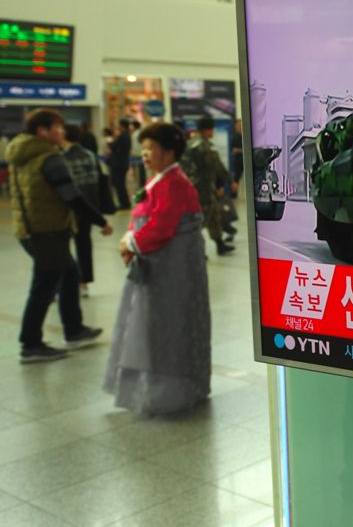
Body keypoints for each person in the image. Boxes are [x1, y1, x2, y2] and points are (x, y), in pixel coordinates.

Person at [104, 122, 211, 414]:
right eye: (145, 148)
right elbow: (141, 217)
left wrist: (131, 243)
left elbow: (162, 226)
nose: (146, 154)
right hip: (156, 266)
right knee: (151, 326)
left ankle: (172, 392)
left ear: (170, 151)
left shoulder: (175, 183)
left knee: (168, 327)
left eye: (151, 148)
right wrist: (130, 238)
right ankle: (151, 389)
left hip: (172, 270)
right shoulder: (158, 180)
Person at [6, 109, 112, 362]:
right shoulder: (49, 159)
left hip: (30, 229)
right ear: (42, 131)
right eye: (57, 127)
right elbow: (72, 196)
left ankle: (74, 329)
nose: (62, 132)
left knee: (68, 275)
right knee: (44, 286)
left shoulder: (21, 155)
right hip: (48, 232)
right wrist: (100, 220)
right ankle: (31, 344)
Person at [181, 116, 235, 255]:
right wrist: (230, 181)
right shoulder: (204, 146)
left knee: (208, 217)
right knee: (206, 218)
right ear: (206, 130)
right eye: (211, 129)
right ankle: (201, 250)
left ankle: (217, 245)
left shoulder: (190, 143)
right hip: (203, 188)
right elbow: (216, 166)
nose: (213, 132)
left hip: (192, 188)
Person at [63, 124, 103, 298]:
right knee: (84, 244)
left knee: (63, 247)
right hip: (89, 206)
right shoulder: (90, 155)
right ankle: (84, 283)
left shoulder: (62, 158)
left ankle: (63, 284)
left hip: (70, 209)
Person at [109, 119, 132, 209]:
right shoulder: (126, 136)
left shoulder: (123, 136)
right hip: (122, 162)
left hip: (119, 164)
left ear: (122, 126)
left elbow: (115, 147)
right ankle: (124, 202)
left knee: (119, 184)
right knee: (119, 184)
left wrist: (113, 143)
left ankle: (124, 203)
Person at [130, 120, 144, 188]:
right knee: (140, 170)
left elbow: (136, 145)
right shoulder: (137, 133)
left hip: (138, 154)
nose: (131, 127)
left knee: (140, 170)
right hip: (138, 154)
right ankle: (141, 183)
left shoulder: (136, 134)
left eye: (132, 125)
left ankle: (141, 184)